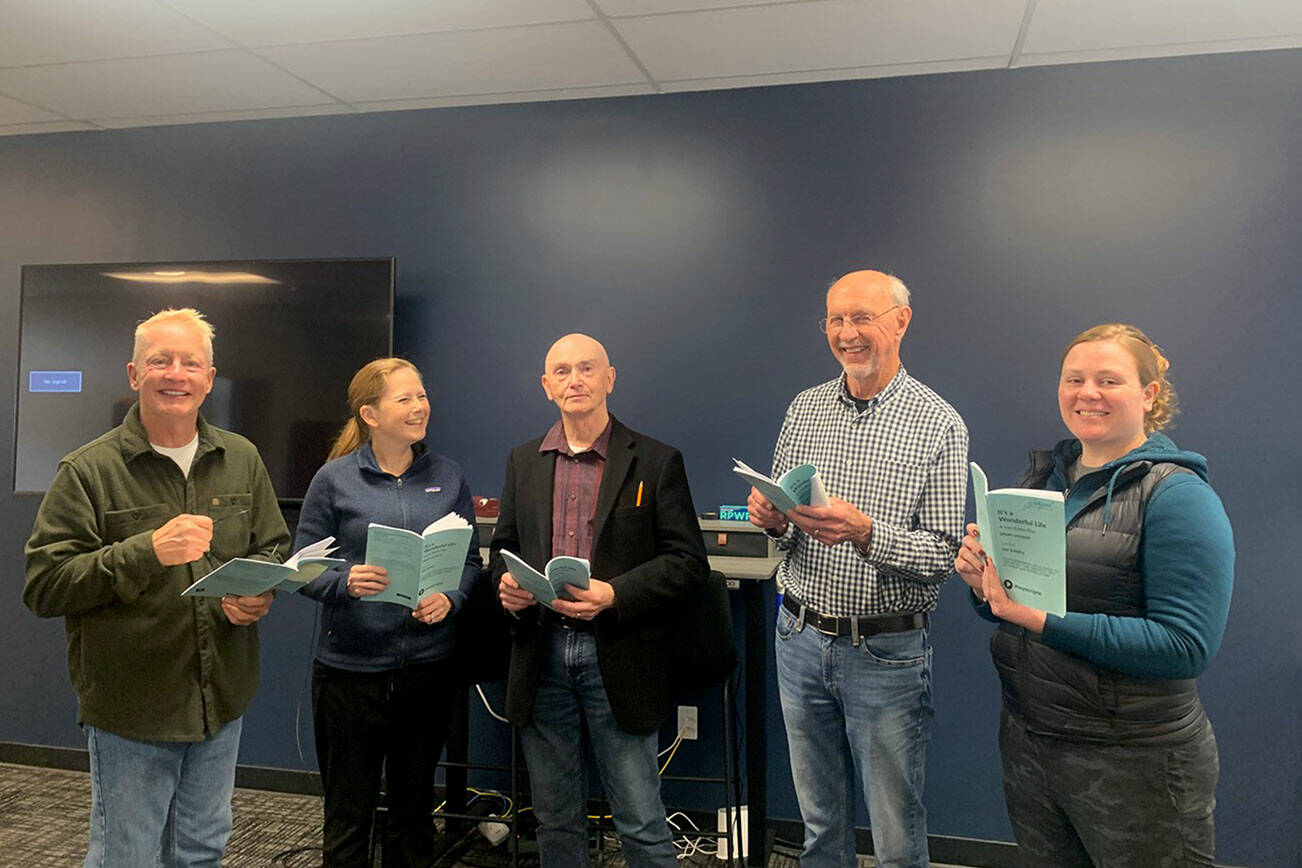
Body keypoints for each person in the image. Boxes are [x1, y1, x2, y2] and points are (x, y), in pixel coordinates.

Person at [954, 323, 1233, 867]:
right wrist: (983, 587)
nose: (1088, 393)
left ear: (1149, 395)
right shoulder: (1040, 484)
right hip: (1033, 746)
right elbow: (1016, 606)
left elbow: (1185, 646)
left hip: (1136, 761)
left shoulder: (1178, 496)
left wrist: (1042, 620)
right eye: (1074, 379)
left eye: (1109, 380)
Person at [23, 308, 290, 867]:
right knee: (129, 855)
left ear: (209, 378)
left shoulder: (241, 458)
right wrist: (144, 551)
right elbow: (45, 585)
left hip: (221, 696)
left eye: (190, 362)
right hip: (133, 705)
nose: (176, 374)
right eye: (160, 361)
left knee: (202, 850)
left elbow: (272, 546)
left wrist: (259, 591)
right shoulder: (87, 471)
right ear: (134, 374)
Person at [748, 270, 968, 868]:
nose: (847, 334)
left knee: (896, 833)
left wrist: (866, 533)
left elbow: (942, 556)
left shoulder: (940, 424)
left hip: (885, 653)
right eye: (835, 320)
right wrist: (772, 517)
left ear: (901, 321)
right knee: (820, 823)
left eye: (861, 318)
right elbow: (788, 524)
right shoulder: (805, 408)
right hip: (797, 636)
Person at [490, 333, 708, 867]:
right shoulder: (524, 461)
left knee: (639, 818)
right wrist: (508, 586)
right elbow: (504, 547)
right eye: (561, 372)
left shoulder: (656, 461)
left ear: (610, 378)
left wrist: (615, 594)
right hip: (541, 656)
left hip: (619, 654)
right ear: (547, 387)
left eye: (586, 368)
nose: (575, 380)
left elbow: (687, 562)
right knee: (555, 817)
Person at [293, 358, 481, 867]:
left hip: (428, 670)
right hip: (350, 676)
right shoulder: (334, 480)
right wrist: (345, 581)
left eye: (422, 395)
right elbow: (302, 569)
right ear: (370, 414)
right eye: (405, 399)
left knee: (414, 811)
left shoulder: (448, 475)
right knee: (349, 815)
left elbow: (469, 560)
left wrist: (453, 597)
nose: (420, 406)